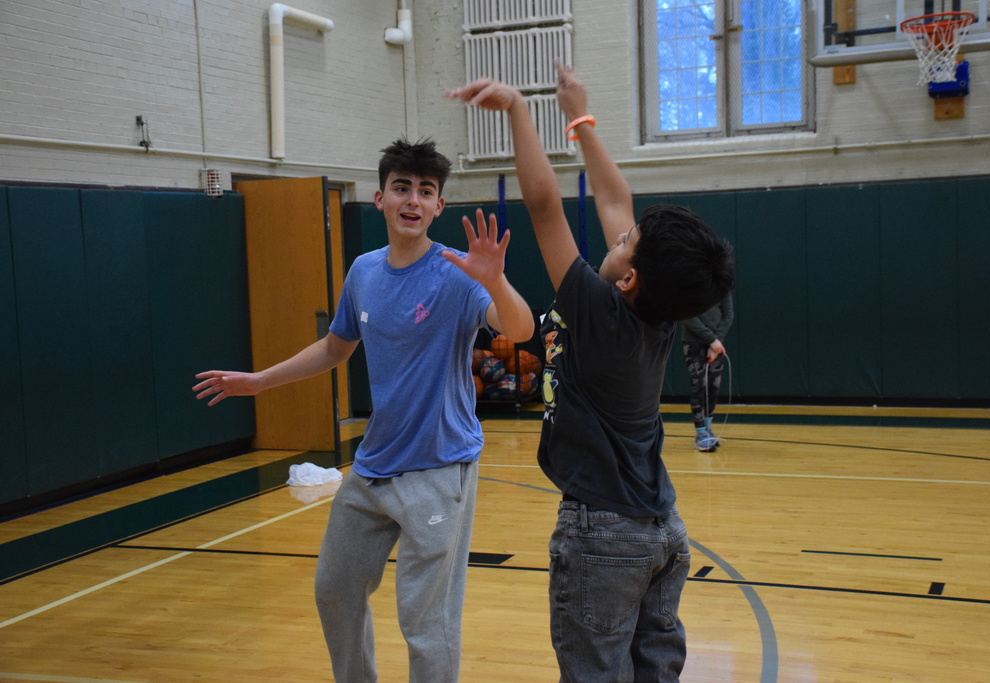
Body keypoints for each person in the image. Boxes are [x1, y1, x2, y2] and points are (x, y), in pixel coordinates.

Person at [192, 137, 534, 683]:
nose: (413, 200)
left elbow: (519, 330)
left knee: (426, 619)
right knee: (335, 589)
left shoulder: (456, 273)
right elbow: (334, 348)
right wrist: (260, 382)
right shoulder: (364, 272)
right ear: (380, 198)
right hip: (373, 467)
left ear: (439, 206)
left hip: (438, 465)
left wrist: (493, 277)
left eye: (426, 191)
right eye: (402, 188)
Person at [446, 64, 735, 682]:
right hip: (661, 528)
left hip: (603, 532)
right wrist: (579, 121)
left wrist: (521, 110)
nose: (619, 233)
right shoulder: (654, 315)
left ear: (628, 278)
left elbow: (546, 206)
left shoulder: (601, 313)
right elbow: (613, 200)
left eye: (626, 241)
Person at [681, 293, 734, 452]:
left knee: (713, 386)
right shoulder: (689, 285)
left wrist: (716, 342)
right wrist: (711, 339)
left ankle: (708, 428)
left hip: (716, 346)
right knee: (699, 385)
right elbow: (687, 315)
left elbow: (728, 315)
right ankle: (700, 432)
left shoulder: (721, 285)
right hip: (694, 343)